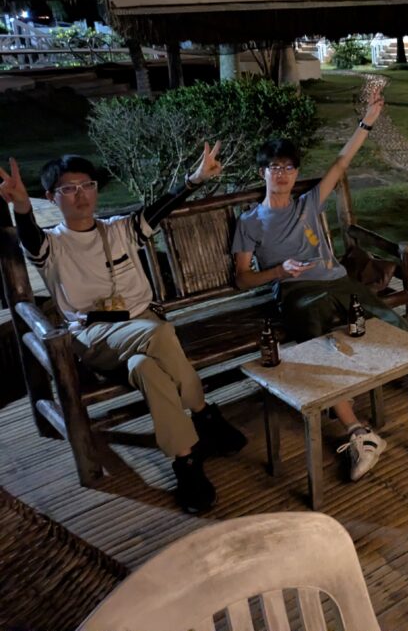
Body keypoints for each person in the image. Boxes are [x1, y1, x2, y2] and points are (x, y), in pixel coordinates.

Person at [232, 94, 408, 482]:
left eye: (289, 167)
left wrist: (368, 121)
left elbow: (341, 162)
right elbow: (243, 277)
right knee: (318, 345)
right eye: (275, 167)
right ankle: (358, 433)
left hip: (339, 283)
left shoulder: (308, 204)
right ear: (263, 172)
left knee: (391, 321)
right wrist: (279, 271)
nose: (283, 174)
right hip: (297, 294)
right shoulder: (250, 223)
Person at [0, 145, 247, 515]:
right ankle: (204, 413)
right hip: (94, 335)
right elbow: (30, 239)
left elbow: (158, 210)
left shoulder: (120, 230)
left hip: (140, 326)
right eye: (69, 189)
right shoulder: (53, 244)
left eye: (87, 185)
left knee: (145, 369)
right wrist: (22, 206)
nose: (81, 195)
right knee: (160, 334)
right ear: (51, 197)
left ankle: (186, 461)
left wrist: (194, 180)